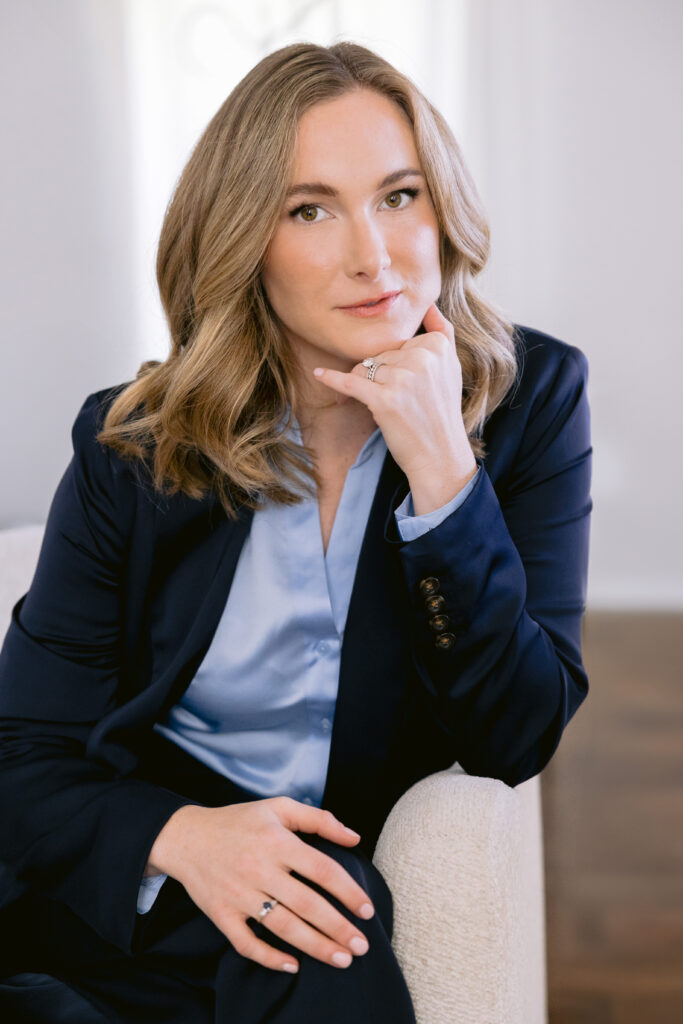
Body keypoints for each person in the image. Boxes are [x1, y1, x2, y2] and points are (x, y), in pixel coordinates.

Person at [0, 39, 592, 1024]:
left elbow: (515, 730)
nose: (375, 254)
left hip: (309, 895)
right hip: (123, 882)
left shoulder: (528, 402)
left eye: (399, 195)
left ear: (442, 207)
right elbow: (23, 748)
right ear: (243, 239)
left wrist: (444, 474)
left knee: (324, 934)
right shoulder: (133, 444)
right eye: (308, 208)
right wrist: (184, 834)